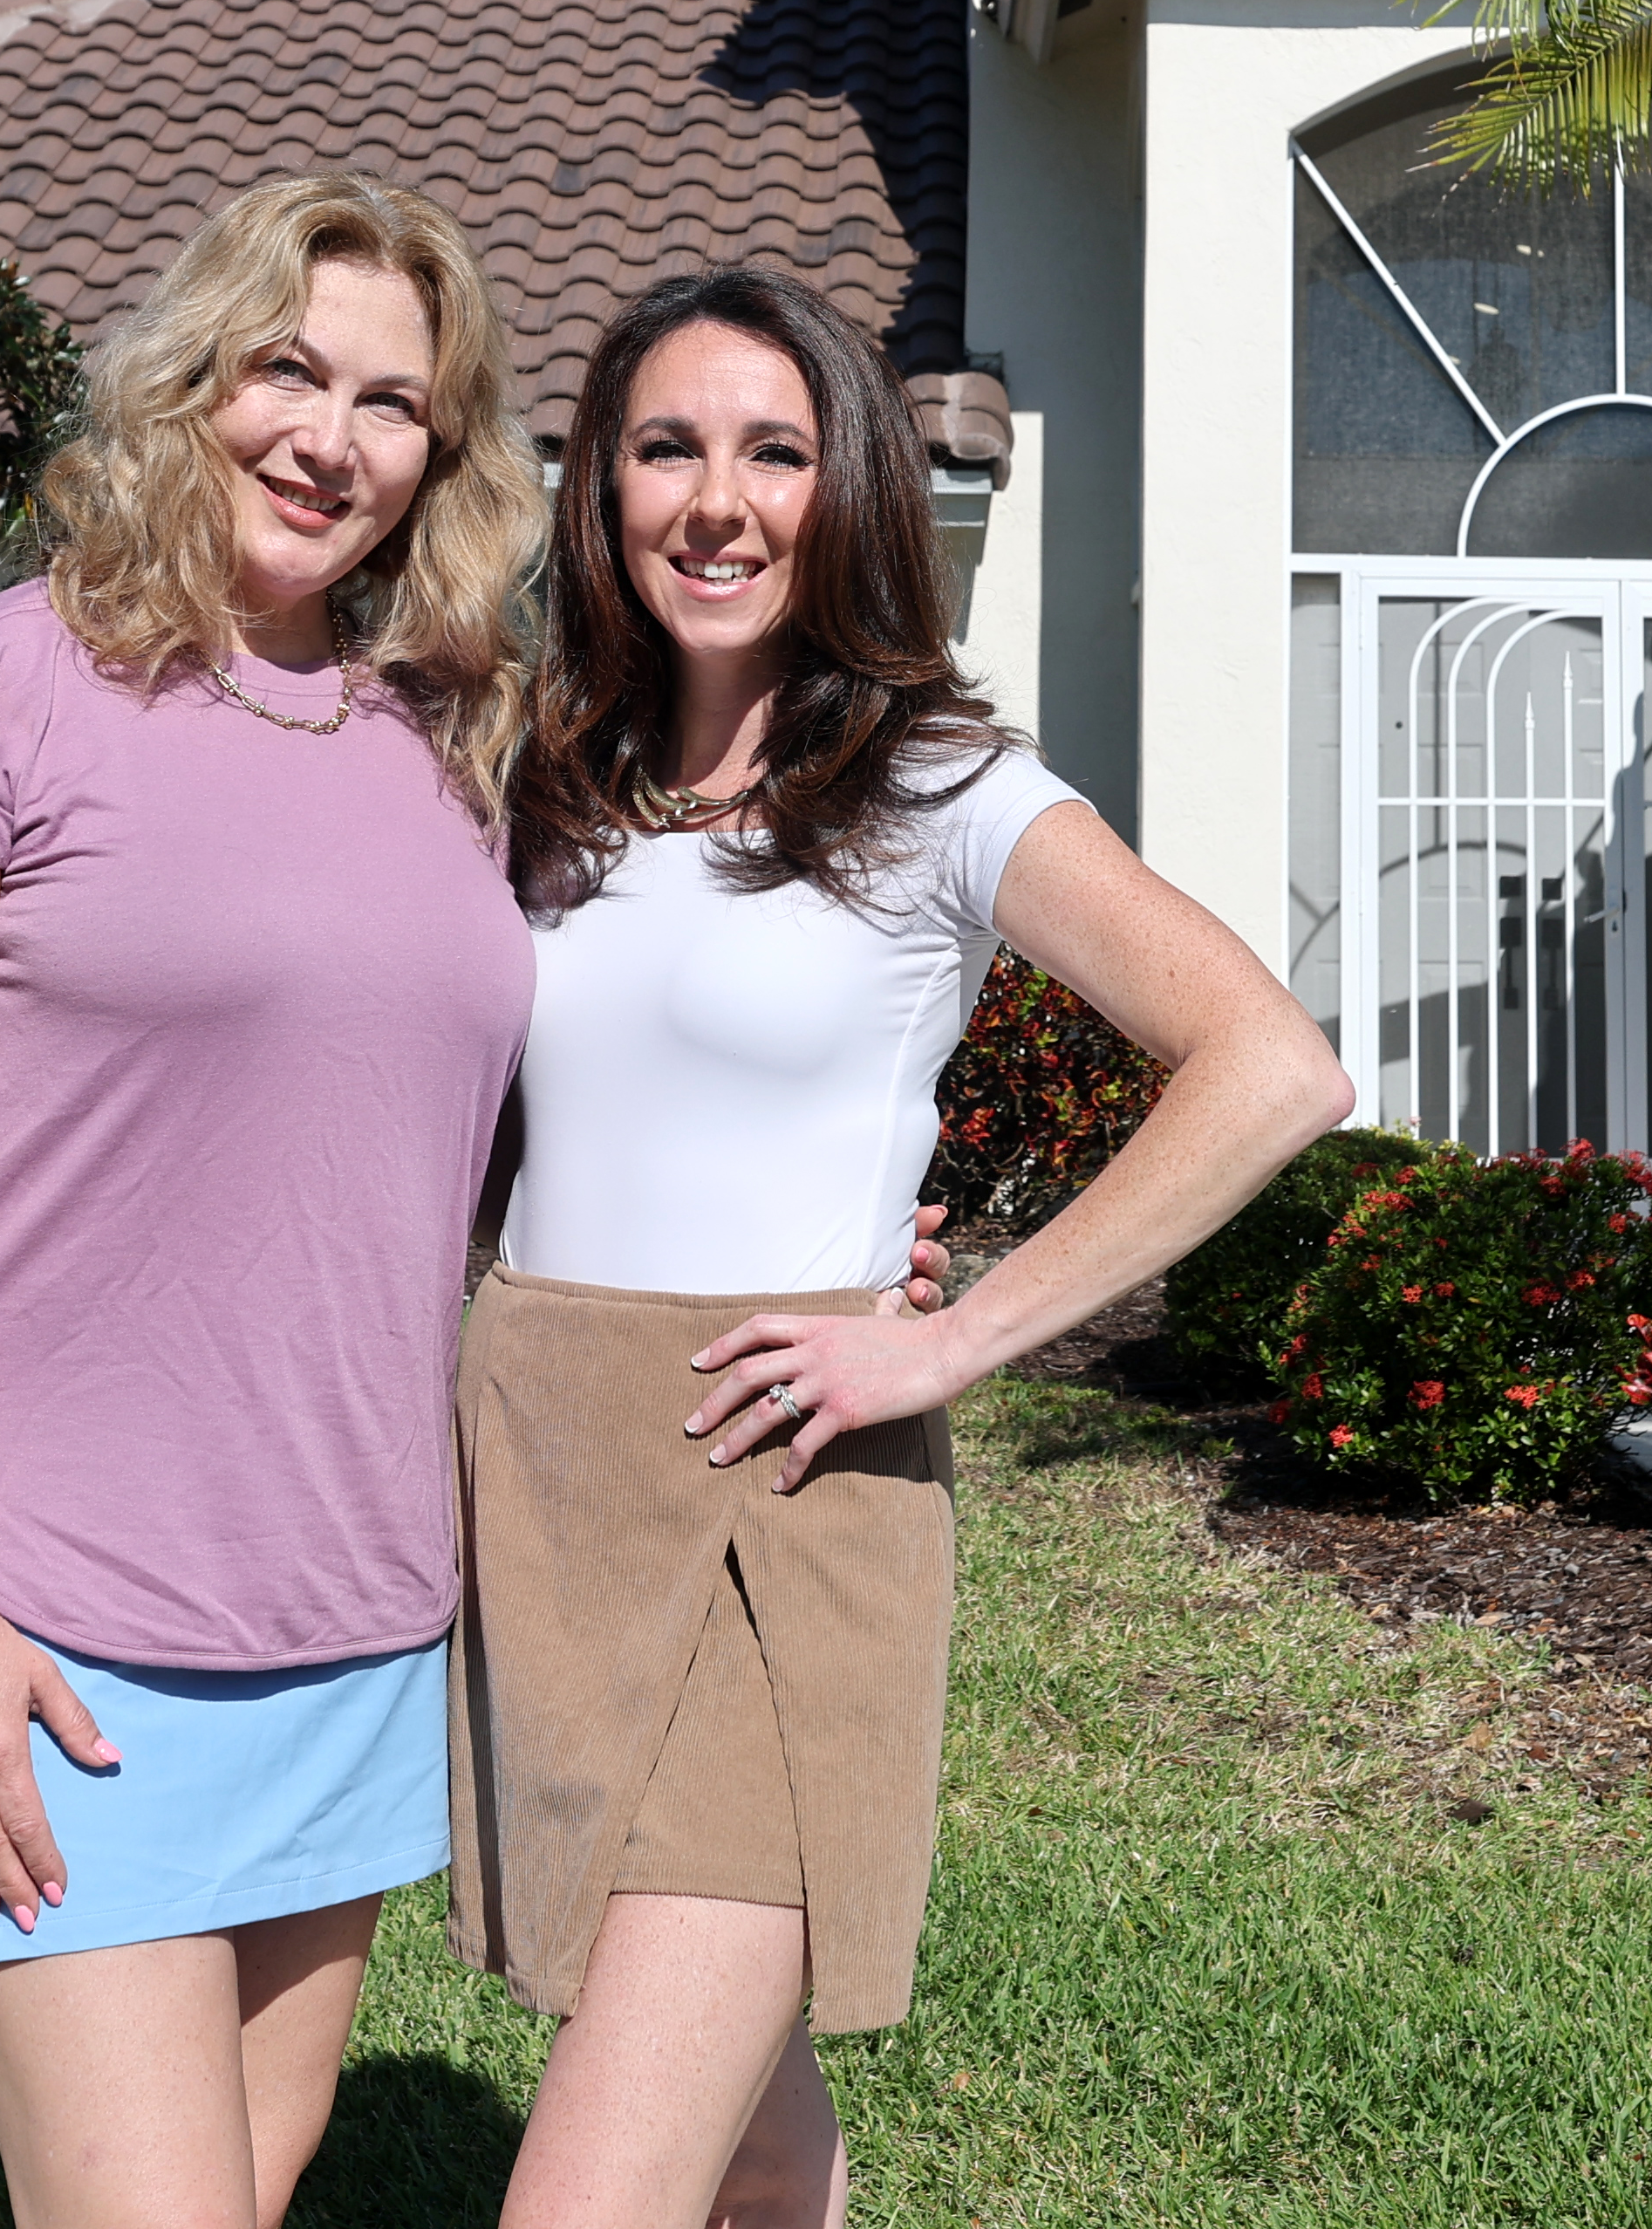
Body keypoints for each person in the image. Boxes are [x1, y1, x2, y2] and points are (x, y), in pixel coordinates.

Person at [456, 268, 1356, 2229]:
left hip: (781, 1496)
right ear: (599, 490)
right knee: (756, 2138)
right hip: (541, 1478)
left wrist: (952, 1340)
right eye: (665, 446)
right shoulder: (550, 775)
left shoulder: (939, 778)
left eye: (773, 449)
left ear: (847, 486)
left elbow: (1270, 1063)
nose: (716, 498)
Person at [0, 172, 550, 2229]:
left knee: (261, 2173)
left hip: (358, 1610)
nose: (329, 434)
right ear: (186, 381)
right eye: (285, 368)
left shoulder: (453, 744)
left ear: (442, 459)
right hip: (51, 1621)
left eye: (396, 401)